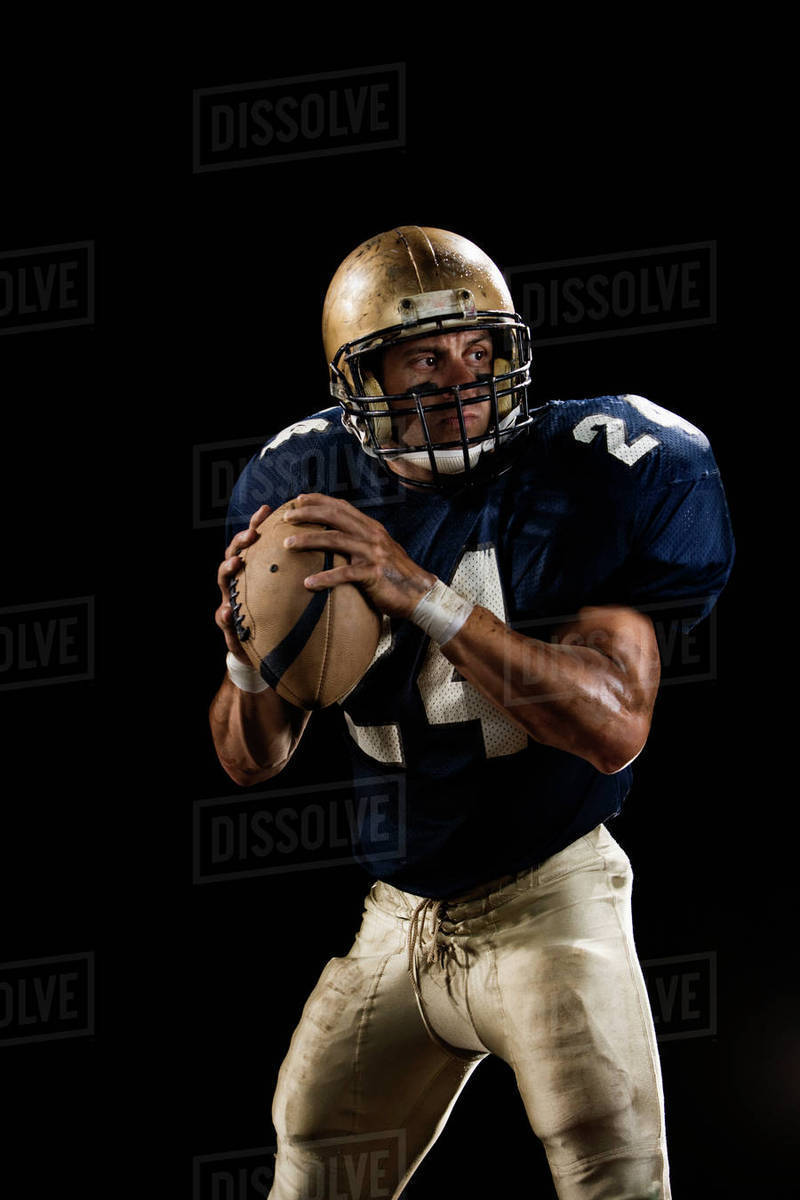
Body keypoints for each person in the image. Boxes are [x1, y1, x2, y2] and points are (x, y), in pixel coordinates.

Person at [209, 226, 734, 1199]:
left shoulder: (602, 466)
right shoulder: (303, 488)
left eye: (478, 349)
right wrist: (249, 662)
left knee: (608, 1160)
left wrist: (421, 595)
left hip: (548, 897)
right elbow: (251, 761)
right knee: (311, 1157)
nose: (461, 377)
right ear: (360, 381)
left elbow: (613, 723)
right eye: (423, 356)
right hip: (395, 916)